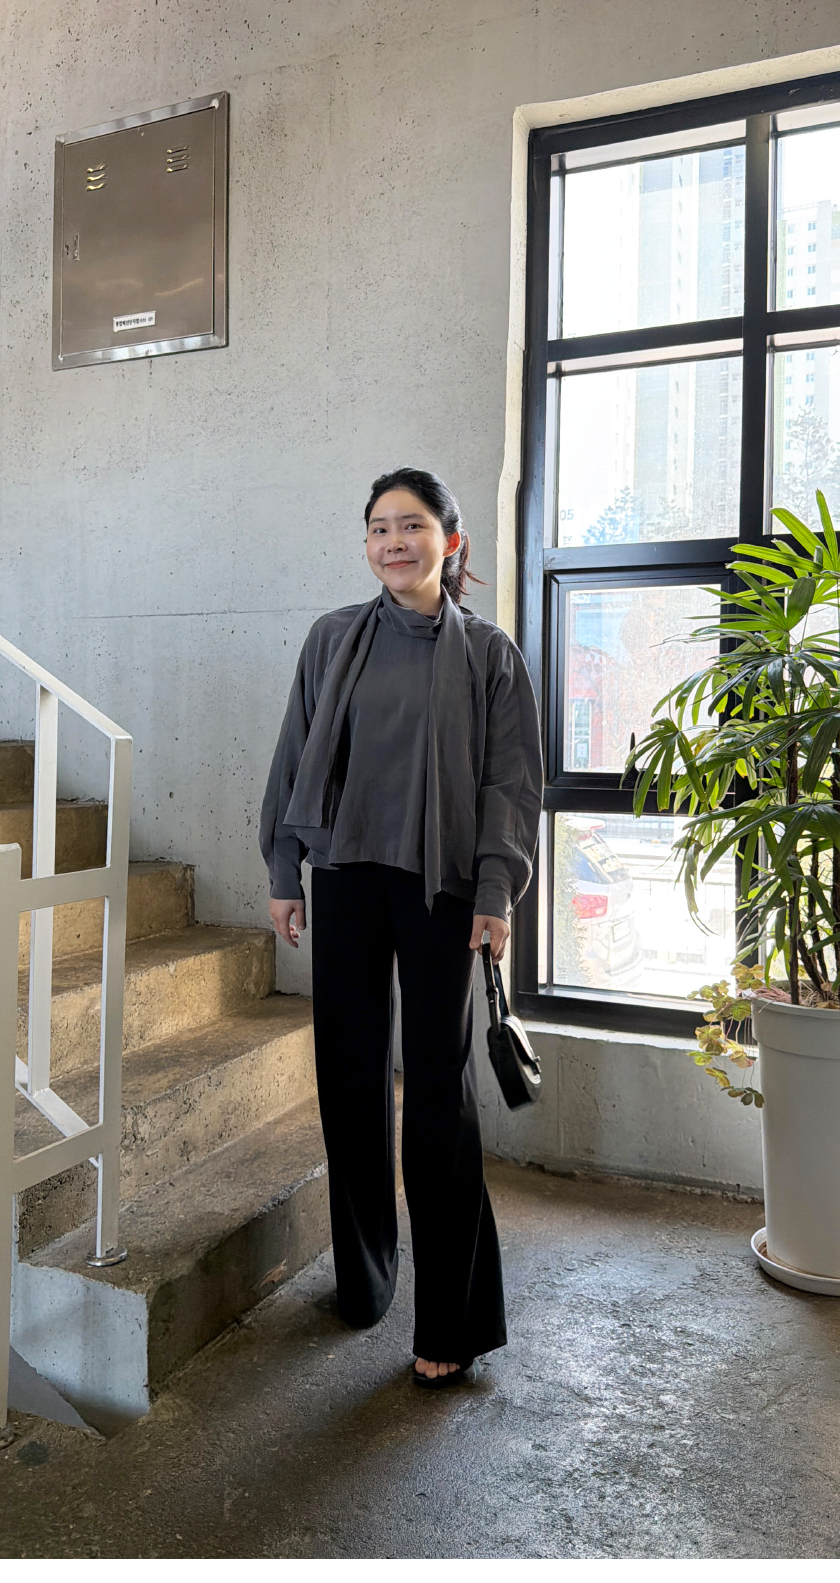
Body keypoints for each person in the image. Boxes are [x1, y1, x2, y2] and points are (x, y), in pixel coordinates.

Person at [260, 467, 543, 1388]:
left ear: (450, 542)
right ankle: (366, 1277)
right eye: (379, 528)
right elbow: (295, 754)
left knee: (438, 1097)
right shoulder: (333, 638)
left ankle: (452, 1319)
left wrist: (497, 892)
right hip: (344, 876)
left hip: (443, 891)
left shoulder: (489, 654)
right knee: (348, 1082)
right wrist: (284, 870)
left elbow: (510, 785)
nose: (393, 542)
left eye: (412, 526)